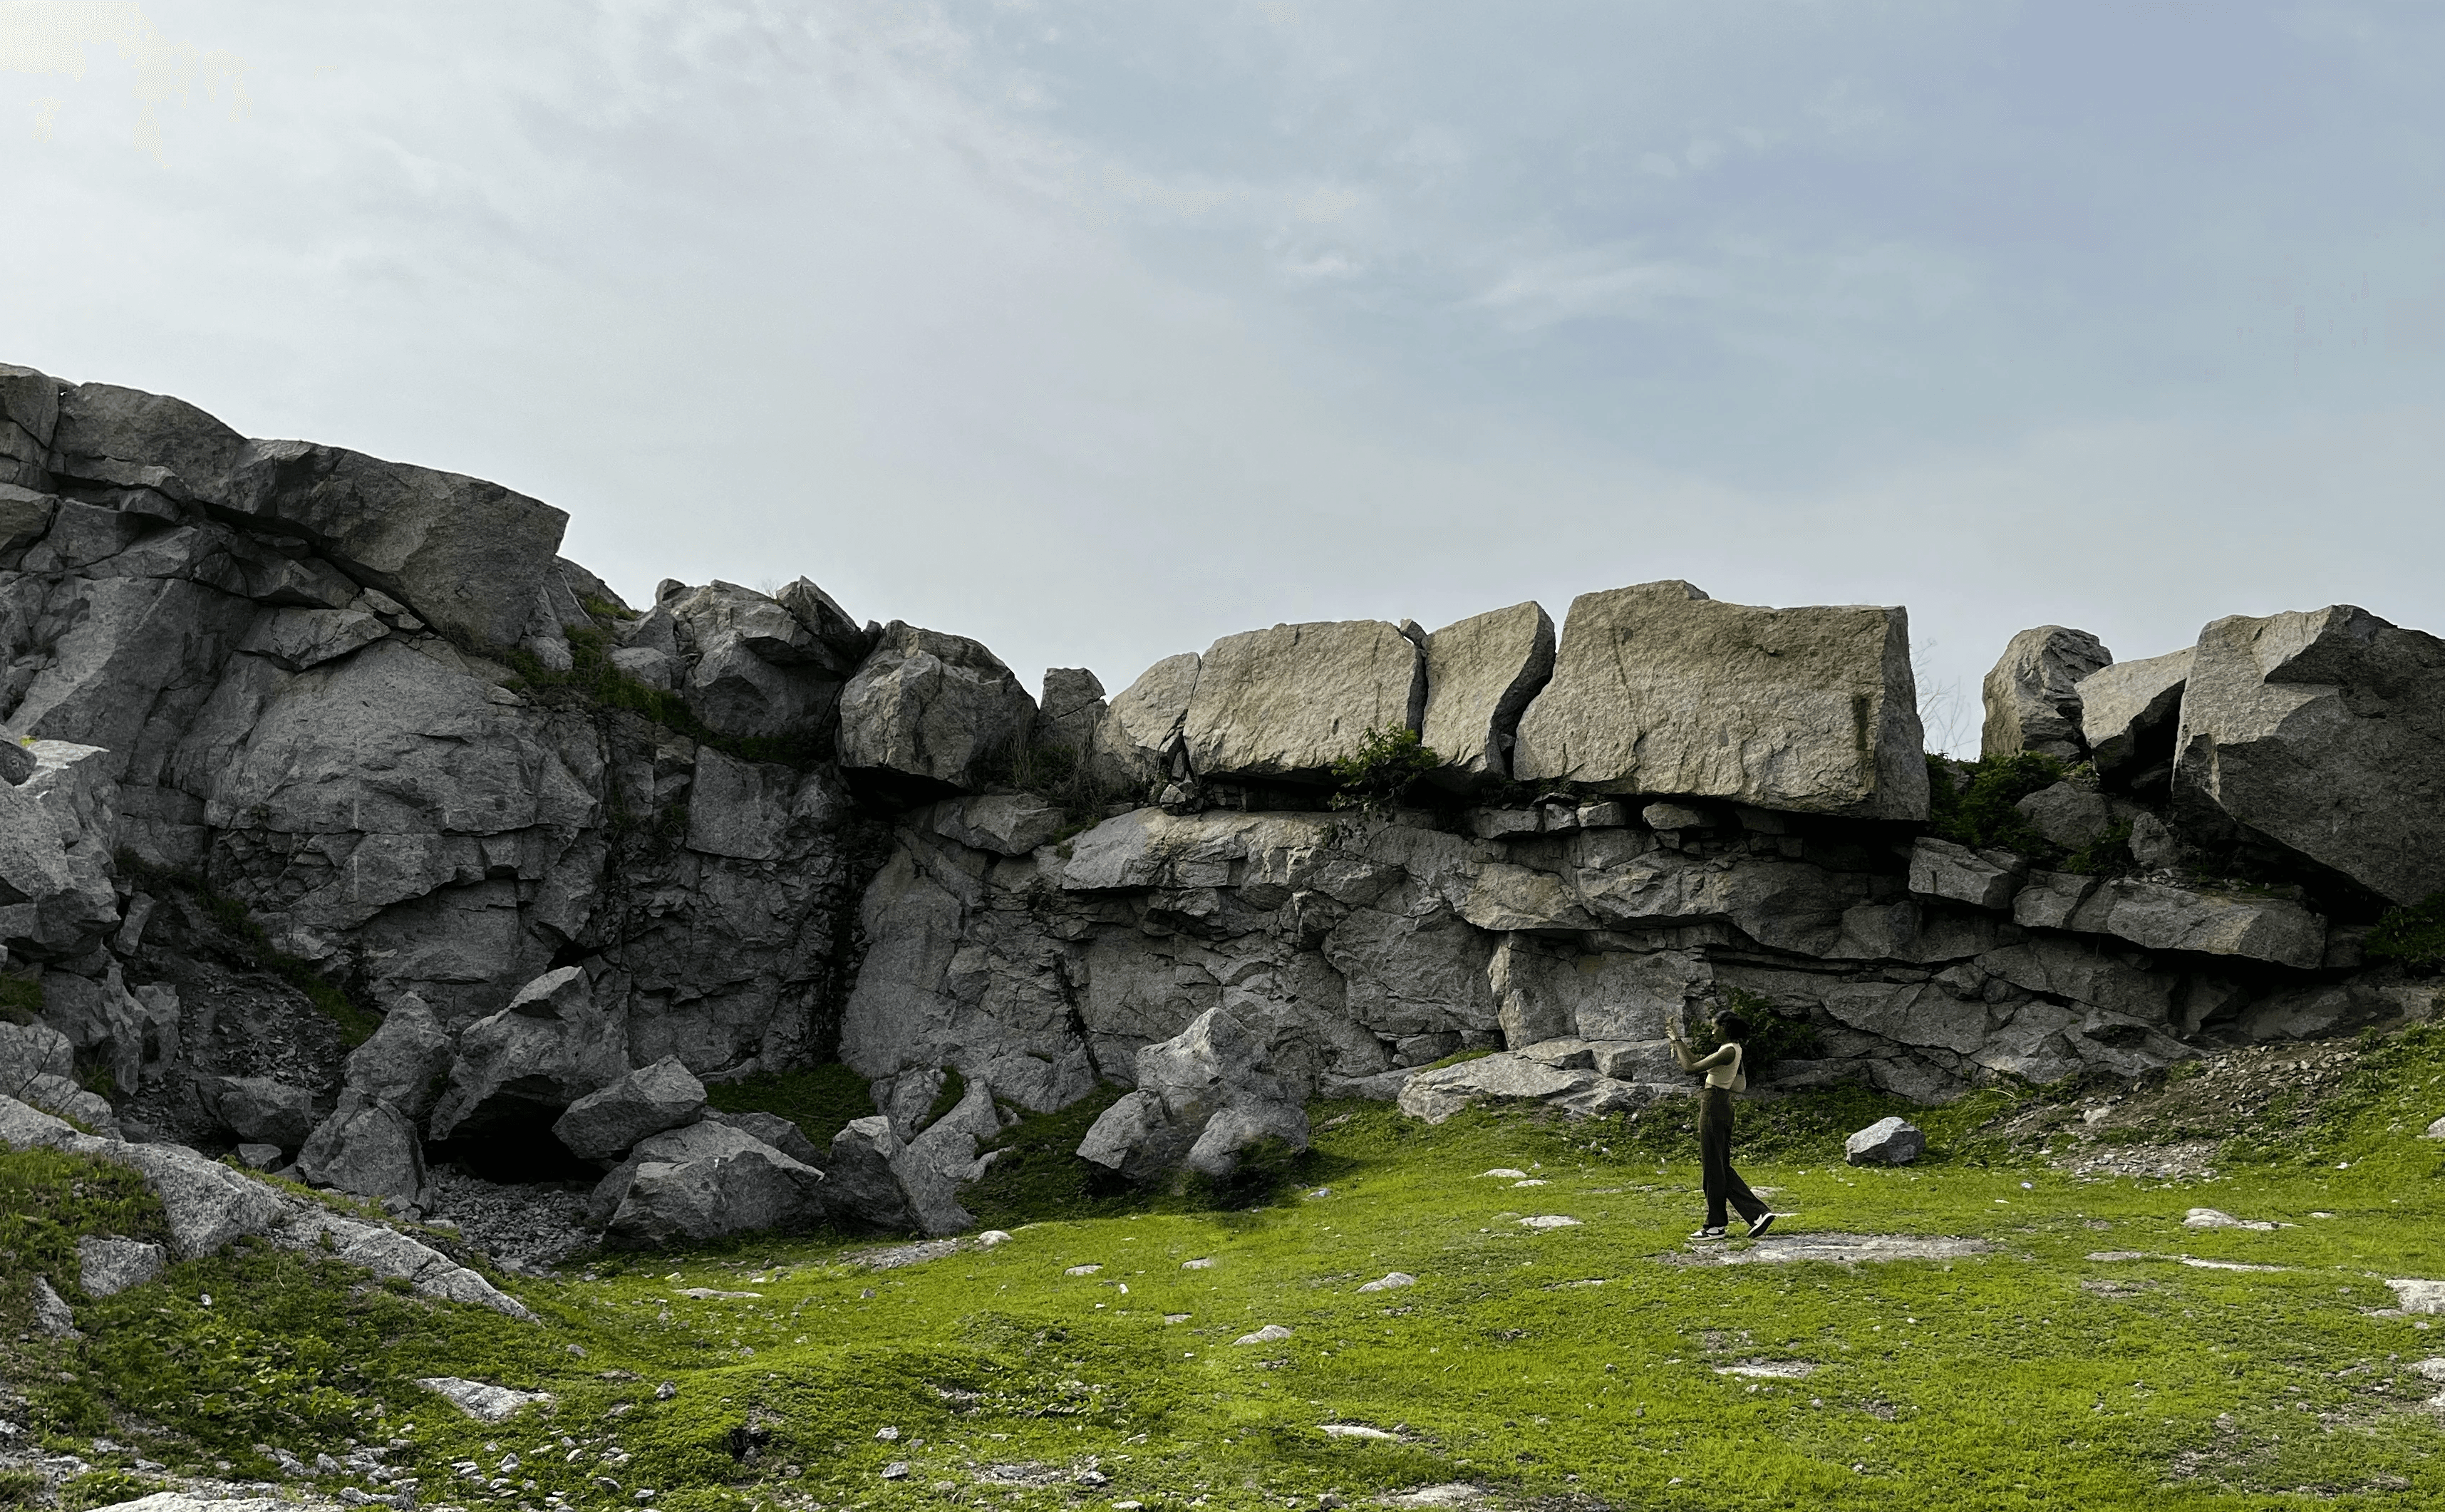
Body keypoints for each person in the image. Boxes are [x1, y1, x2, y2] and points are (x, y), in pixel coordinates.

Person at [1666, 1007, 1778, 1241]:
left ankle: (1717, 1226)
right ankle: (1756, 1214)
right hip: (1720, 1105)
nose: (1712, 1030)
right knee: (1719, 1167)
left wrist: (1677, 1041)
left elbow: (1690, 1068)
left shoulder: (1728, 1050)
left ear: (1726, 1028)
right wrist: (1678, 1042)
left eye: (1715, 1026)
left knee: (1713, 1167)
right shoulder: (1731, 1049)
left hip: (1714, 1105)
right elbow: (1695, 1061)